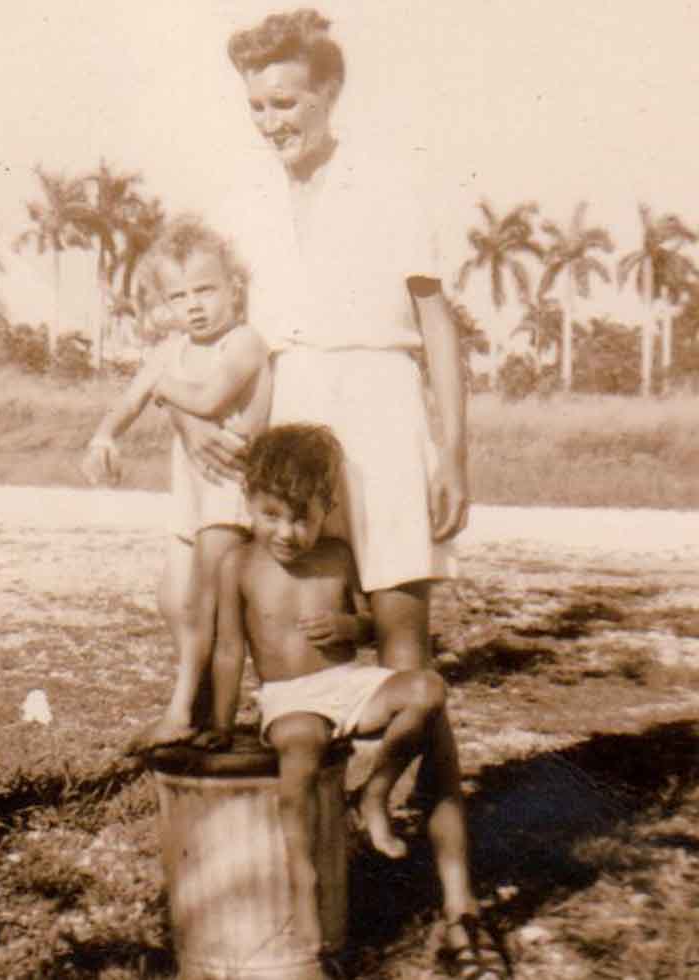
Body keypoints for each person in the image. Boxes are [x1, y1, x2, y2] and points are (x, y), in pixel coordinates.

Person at [172, 10, 509, 976]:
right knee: (292, 634)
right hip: (294, 424)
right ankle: (311, 912)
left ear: (329, 92)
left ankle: (457, 907)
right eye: (256, 106)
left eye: (286, 100)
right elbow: (238, 346)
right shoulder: (250, 201)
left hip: (386, 415)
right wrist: (204, 422)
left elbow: (433, 321)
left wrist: (453, 449)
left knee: (412, 660)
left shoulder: (392, 179)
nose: (271, 120)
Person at [202, 423, 454, 957]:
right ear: (248, 502)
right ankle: (303, 891)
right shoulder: (238, 564)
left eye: (302, 518)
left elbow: (368, 626)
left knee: (428, 690)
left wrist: (350, 629)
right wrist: (222, 725)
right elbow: (228, 651)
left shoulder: (338, 555)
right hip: (289, 697)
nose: (287, 532)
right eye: (271, 515)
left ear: (326, 508)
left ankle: (376, 792)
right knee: (298, 763)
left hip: (347, 685)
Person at [82, 213, 271, 753]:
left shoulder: (244, 343)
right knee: (175, 598)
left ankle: (196, 714)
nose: (193, 305)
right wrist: (104, 437)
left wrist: (161, 388)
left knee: (216, 603)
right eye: (178, 295)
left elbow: (210, 398)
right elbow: (129, 399)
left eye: (206, 290)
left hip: (229, 488)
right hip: (190, 492)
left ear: (234, 288)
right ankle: (197, 706)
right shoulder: (172, 350)